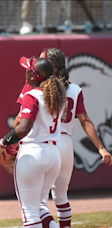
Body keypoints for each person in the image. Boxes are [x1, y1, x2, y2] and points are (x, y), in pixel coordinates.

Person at [38, 48, 112, 228]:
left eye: (41, 61)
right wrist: (101, 148)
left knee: (37, 200)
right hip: (65, 145)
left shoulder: (38, 87)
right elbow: (85, 120)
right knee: (61, 197)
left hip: (45, 143)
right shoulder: (75, 89)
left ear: (49, 65)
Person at [0, 56, 66, 228]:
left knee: (29, 212)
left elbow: (24, 128)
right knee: (39, 206)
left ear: (34, 76)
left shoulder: (31, 95)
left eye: (28, 70)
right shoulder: (56, 95)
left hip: (33, 153)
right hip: (54, 155)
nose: (26, 72)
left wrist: (3, 142)